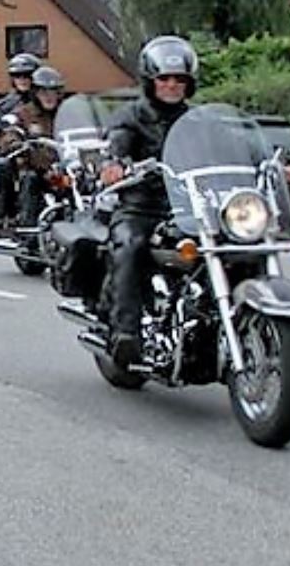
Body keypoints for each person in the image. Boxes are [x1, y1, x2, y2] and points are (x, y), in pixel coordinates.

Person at [100, 36, 198, 368]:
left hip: (189, 208)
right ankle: (125, 333)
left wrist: (273, 162)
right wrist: (113, 163)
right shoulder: (131, 116)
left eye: (179, 79)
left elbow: (233, 140)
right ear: (150, 81)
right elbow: (116, 143)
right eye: (165, 79)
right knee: (130, 244)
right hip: (142, 207)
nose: (172, 85)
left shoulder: (199, 119)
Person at [0, 53, 42, 228]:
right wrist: (11, 144)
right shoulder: (5, 106)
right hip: (20, 156)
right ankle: (8, 210)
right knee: (4, 165)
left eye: (27, 75)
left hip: (46, 153)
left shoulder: (45, 101)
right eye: (17, 75)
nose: (22, 79)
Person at [11, 66, 65, 229]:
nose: (49, 97)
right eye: (44, 92)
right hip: (39, 169)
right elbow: (10, 132)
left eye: (53, 92)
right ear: (35, 93)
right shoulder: (24, 113)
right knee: (30, 179)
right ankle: (29, 230)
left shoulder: (66, 112)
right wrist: (14, 142)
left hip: (66, 168)